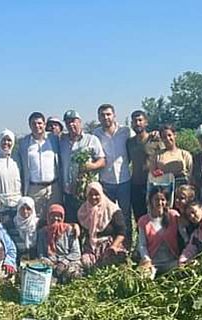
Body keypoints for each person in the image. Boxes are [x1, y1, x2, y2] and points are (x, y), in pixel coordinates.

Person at [93, 104, 133, 246]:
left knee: (126, 214)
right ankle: (112, 246)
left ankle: (127, 244)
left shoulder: (126, 131)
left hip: (124, 179)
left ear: (114, 115)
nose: (106, 117)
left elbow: (140, 140)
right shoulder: (95, 134)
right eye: (103, 115)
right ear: (99, 118)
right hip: (106, 181)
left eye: (108, 114)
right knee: (109, 215)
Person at [59, 110, 106, 222]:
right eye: (68, 122)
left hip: (87, 192)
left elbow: (102, 161)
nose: (71, 124)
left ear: (80, 122)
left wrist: (91, 166)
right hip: (68, 191)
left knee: (90, 222)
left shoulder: (91, 139)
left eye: (73, 121)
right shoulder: (62, 141)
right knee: (73, 223)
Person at [17, 112, 61, 220]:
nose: (37, 126)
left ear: (45, 124)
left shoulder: (54, 139)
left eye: (40, 123)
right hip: (34, 189)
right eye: (34, 124)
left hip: (53, 188)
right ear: (29, 125)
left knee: (54, 219)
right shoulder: (24, 143)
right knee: (34, 220)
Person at [77, 182, 127, 268]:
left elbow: (121, 232)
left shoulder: (112, 209)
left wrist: (114, 246)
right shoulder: (83, 211)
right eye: (90, 195)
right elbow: (80, 232)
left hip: (110, 244)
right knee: (86, 264)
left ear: (101, 194)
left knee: (111, 261)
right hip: (91, 245)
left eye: (96, 194)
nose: (93, 197)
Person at [126, 110, 163, 222]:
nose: (137, 123)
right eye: (134, 121)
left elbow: (164, 158)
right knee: (140, 219)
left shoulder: (155, 140)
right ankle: (141, 240)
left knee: (156, 218)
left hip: (153, 185)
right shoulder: (129, 142)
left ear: (146, 122)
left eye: (140, 120)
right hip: (136, 185)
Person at [137, 186, 181, 278]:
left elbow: (184, 236)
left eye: (163, 200)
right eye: (156, 199)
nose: (160, 203)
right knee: (144, 278)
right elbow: (142, 245)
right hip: (153, 263)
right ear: (151, 201)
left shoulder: (173, 216)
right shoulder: (143, 221)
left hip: (172, 261)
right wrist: (146, 259)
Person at [37, 204, 84, 284]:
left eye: (59, 216)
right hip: (51, 263)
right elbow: (41, 253)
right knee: (46, 281)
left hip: (69, 261)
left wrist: (64, 262)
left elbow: (76, 253)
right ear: (48, 217)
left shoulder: (70, 230)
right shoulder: (43, 232)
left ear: (63, 217)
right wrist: (50, 263)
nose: (55, 218)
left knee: (73, 274)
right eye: (53, 215)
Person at [0, 129, 22, 226]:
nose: (6, 143)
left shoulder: (16, 159)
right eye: (4, 140)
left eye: (9, 140)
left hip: (17, 205)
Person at [151, 124, 193, 189]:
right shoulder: (157, 155)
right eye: (164, 137)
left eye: (169, 135)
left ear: (175, 135)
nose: (167, 139)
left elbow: (191, 174)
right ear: (161, 139)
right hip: (164, 191)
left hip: (182, 190)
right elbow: (152, 175)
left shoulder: (185, 154)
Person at [9, 196, 40, 262]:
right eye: (22, 208)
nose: (25, 211)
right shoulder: (11, 224)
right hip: (17, 258)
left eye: (28, 209)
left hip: (36, 257)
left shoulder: (39, 224)